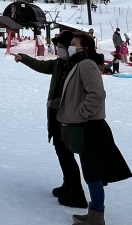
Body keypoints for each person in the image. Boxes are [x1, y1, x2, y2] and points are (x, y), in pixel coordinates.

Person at [58, 32, 132, 225]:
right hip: (86, 126)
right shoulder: (79, 64)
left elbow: (97, 94)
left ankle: (97, 220)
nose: (70, 47)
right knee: (91, 173)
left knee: (93, 174)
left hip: (91, 126)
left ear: (85, 48)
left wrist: (82, 113)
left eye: (74, 44)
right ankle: (93, 214)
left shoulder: (86, 64)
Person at [14, 31, 88, 210]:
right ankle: (68, 184)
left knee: (67, 153)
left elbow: (74, 94)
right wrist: (23, 58)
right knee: (61, 151)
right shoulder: (60, 64)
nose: (59, 50)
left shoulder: (77, 67)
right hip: (56, 116)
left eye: (62, 47)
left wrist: (55, 102)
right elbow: (41, 66)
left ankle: (77, 192)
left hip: (67, 117)